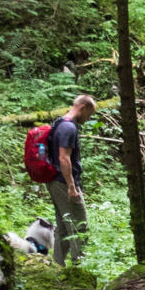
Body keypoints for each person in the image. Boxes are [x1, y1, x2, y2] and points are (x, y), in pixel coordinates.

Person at [44, 95, 97, 265]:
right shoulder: (68, 128)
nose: (89, 118)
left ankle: (57, 266)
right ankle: (78, 266)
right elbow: (64, 158)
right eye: (89, 114)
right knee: (79, 225)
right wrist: (71, 186)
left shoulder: (59, 123)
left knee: (64, 225)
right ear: (82, 107)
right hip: (63, 182)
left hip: (56, 181)